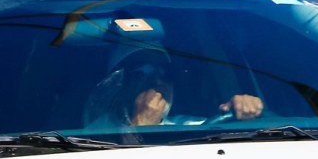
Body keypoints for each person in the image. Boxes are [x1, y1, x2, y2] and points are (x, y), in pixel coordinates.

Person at [86, 48, 264, 130]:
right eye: (143, 73)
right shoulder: (95, 134)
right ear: (119, 84)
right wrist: (141, 126)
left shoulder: (189, 127)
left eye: (165, 72)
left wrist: (245, 110)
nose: (157, 81)